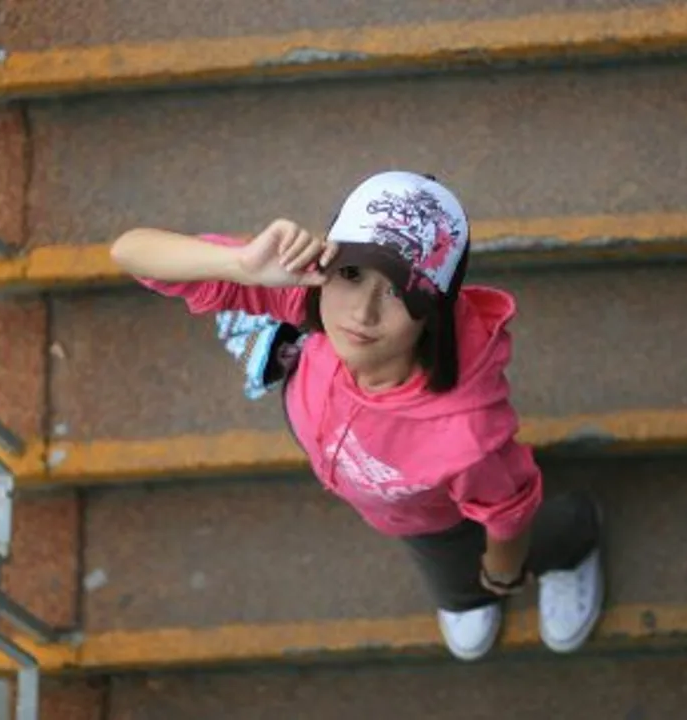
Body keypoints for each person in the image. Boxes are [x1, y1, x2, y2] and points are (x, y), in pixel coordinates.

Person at [109, 170, 604, 661]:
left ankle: (573, 543)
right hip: (365, 473)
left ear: (432, 310)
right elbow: (130, 252)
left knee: (461, 583)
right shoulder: (306, 293)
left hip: (432, 519)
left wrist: (502, 573)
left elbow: (506, 512)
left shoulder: (465, 436)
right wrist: (240, 265)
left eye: (398, 291)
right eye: (351, 273)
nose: (362, 314)